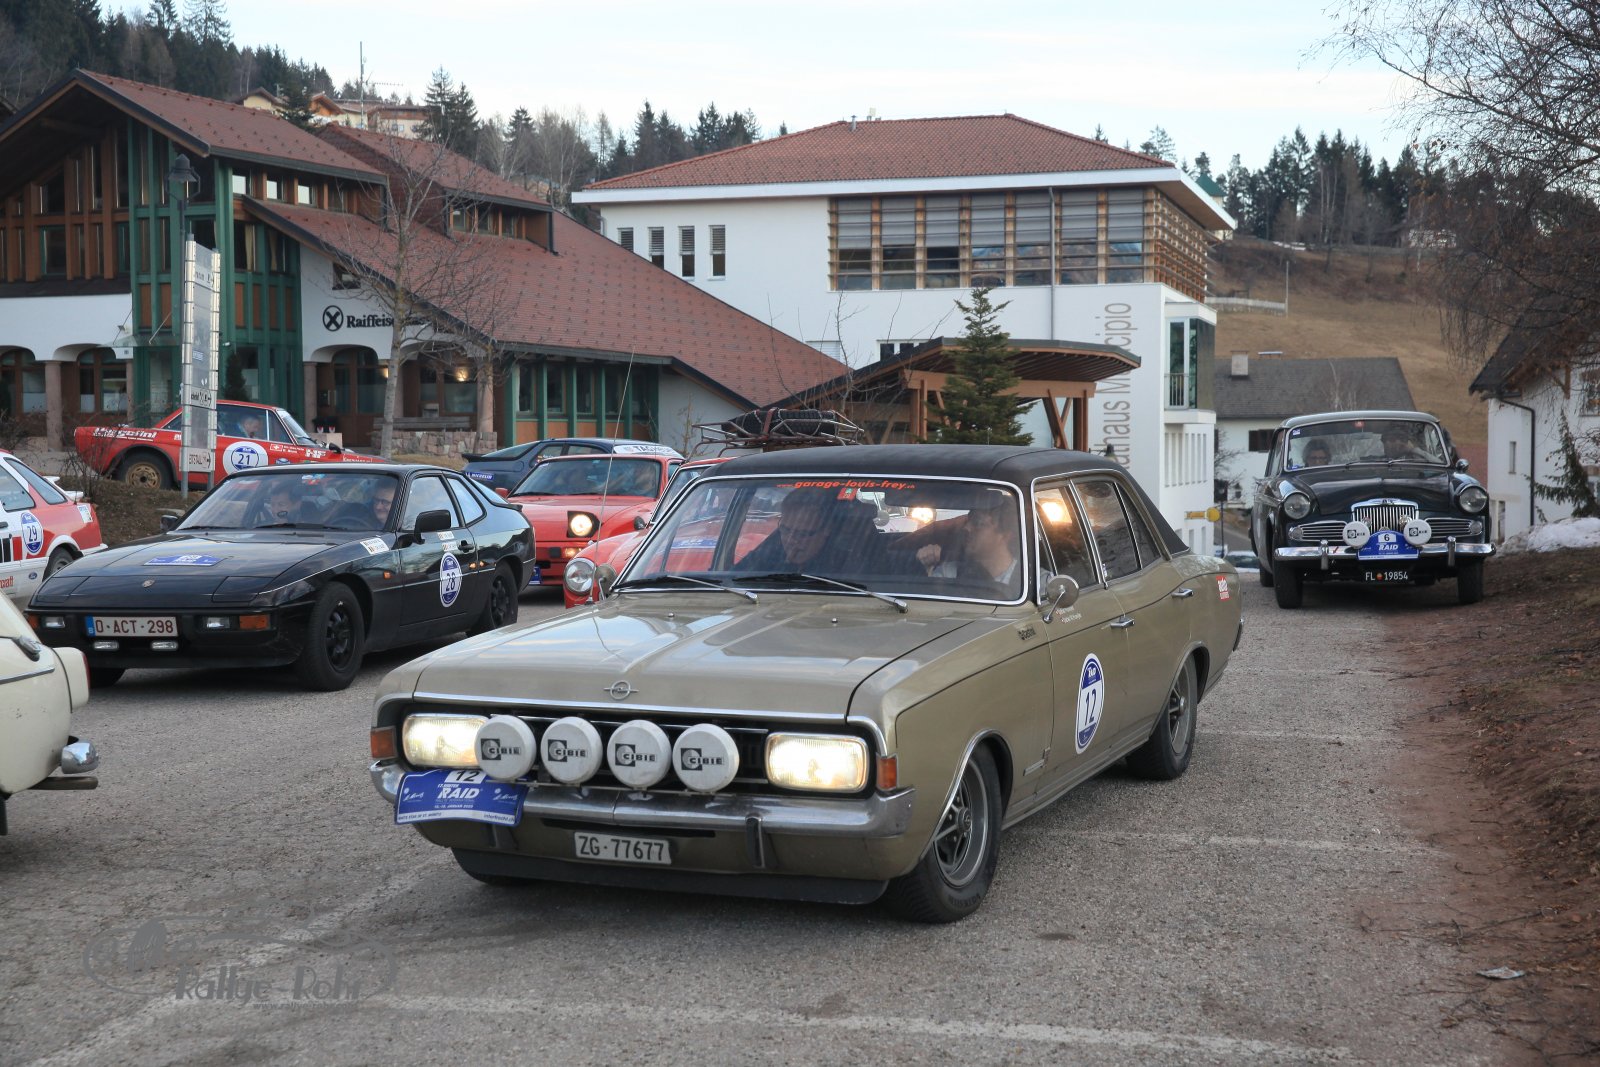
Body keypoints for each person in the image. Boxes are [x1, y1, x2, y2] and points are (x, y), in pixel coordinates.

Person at [735, 487, 875, 574]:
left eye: (802, 534)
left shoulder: (847, 563)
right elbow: (736, 576)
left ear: (826, 531)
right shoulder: (773, 547)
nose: (791, 540)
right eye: (785, 530)